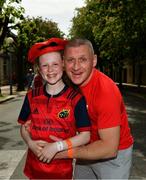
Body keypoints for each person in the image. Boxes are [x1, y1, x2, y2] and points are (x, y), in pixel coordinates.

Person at [51, 38, 134, 179]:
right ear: (63, 62)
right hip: (85, 149)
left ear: (94, 61)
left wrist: (64, 152)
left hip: (113, 156)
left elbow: (109, 148)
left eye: (83, 59)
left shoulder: (106, 91)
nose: (76, 67)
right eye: (71, 60)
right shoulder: (67, 84)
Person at [17, 37, 91, 179]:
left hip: (61, 171)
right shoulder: (31, 96)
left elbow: (85, 136)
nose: (50, 70)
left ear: (63, 64)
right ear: (39, 68)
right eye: (45, 65)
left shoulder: (76, 99)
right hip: (34, 168)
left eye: (55, 64)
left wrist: (57, 147)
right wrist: (30, 143)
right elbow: (23, 127)